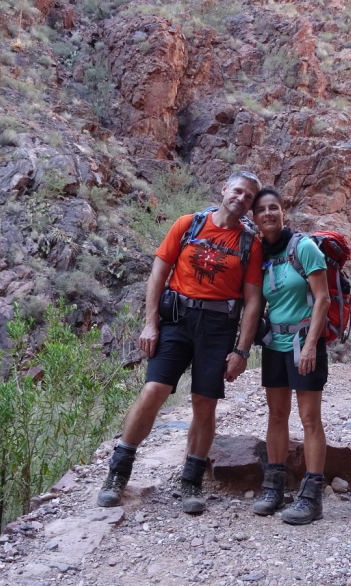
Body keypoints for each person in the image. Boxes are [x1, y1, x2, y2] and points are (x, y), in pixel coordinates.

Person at [96, 171, 264, 514]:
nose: (241, 199)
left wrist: (242, 351)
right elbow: (159, 272)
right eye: (238, 191)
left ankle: (191, 480)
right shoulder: (189, 224)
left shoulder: (251, 244)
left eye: (249, 197)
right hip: (176, 321)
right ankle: (118, 472)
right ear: (223, 189)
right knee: (153, 390)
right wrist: (150, 324)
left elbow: (253, 302)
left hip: (218, 327)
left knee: (205, 402)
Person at [249, 187, 331, 525]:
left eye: (273, 208)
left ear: (284, 212)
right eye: (261, 210)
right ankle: (275, 487)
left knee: (310, 418)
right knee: (277, 415)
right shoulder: (261, 253)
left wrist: (311, 344)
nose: (267, 214)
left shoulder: (305, 247)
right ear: (254, 218)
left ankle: (312, 497)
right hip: (274, 345)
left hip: (304, 343)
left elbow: (323, 299)